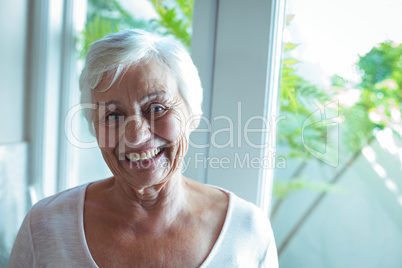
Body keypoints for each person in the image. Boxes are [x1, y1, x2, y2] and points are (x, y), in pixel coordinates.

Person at [8, 29, 278, 268]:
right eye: (113, 115)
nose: (136, 136)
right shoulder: (44, 227)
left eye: (157, 108)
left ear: (192, 113)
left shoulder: (247, 231)